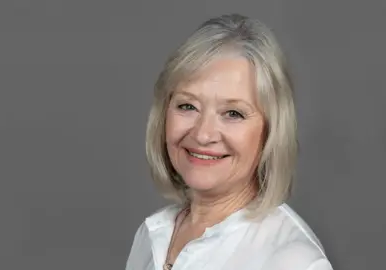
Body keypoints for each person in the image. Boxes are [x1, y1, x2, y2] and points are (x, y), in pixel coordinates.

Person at [125, 13, 333, 270]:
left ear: (271, 130)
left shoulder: (292, 261)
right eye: (187, 106)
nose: (202, 134)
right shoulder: (152, 235)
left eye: (233, 113)